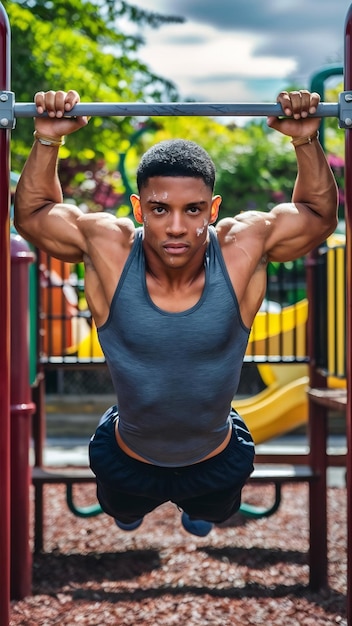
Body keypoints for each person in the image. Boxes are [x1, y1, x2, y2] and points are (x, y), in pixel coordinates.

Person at [14, 89, 338, 537]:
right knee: (123, 510)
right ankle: (133, 512)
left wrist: (305, 139)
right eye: (160, 209)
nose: (177, 227)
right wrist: (47, 138)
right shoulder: (108, 247)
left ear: (214, 208)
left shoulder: (241, 247)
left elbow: (318, 215)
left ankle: (197, 512)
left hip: (216, 459)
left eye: (194, 210)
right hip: (127, 458)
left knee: (211, 512)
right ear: (137, 208)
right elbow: (32, 215)